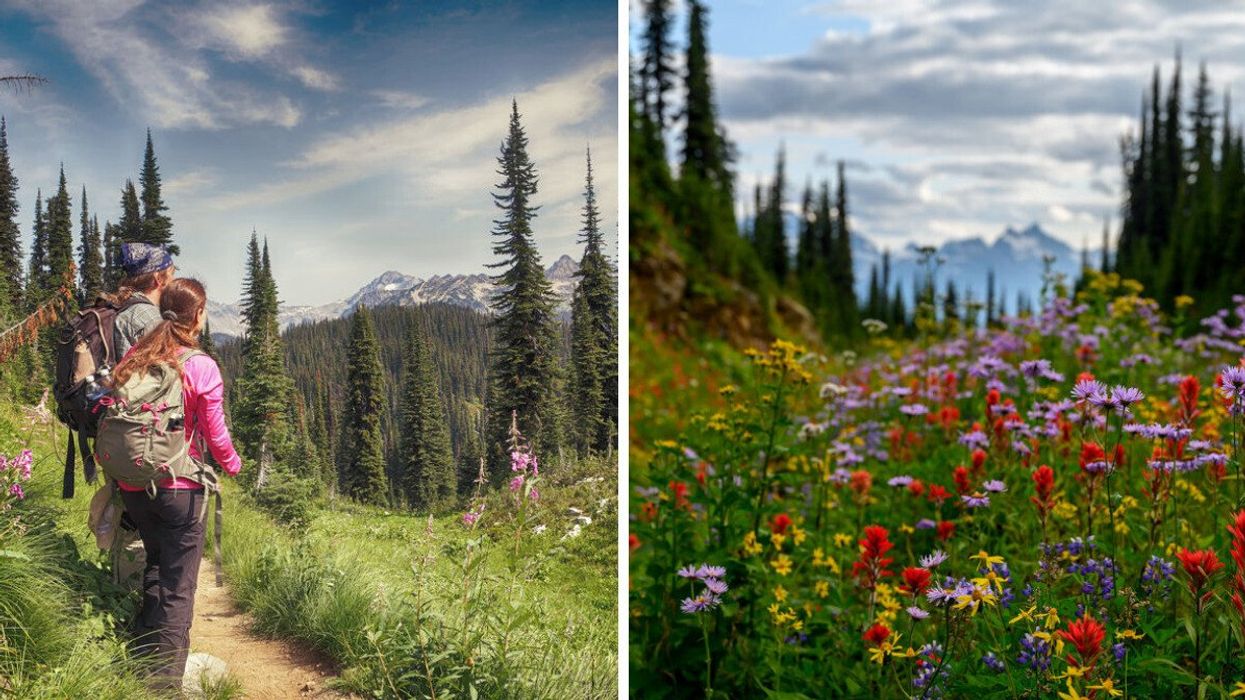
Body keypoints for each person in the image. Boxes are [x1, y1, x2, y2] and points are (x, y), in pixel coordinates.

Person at [107, 277, 241, 686]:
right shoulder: (200, 364)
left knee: (156, 569)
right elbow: (216, 436)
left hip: (135, 486)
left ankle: (142, 666)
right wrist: (233, 467)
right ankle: (163, 687)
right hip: (181, 490)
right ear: (198, 315)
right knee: (179, 588)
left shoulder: (136, 356)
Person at [111, 242, 176, 359]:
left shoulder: (121, 305)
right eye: (171, 273)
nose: (174, 280)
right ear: (159, 279)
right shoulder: (151, 318)